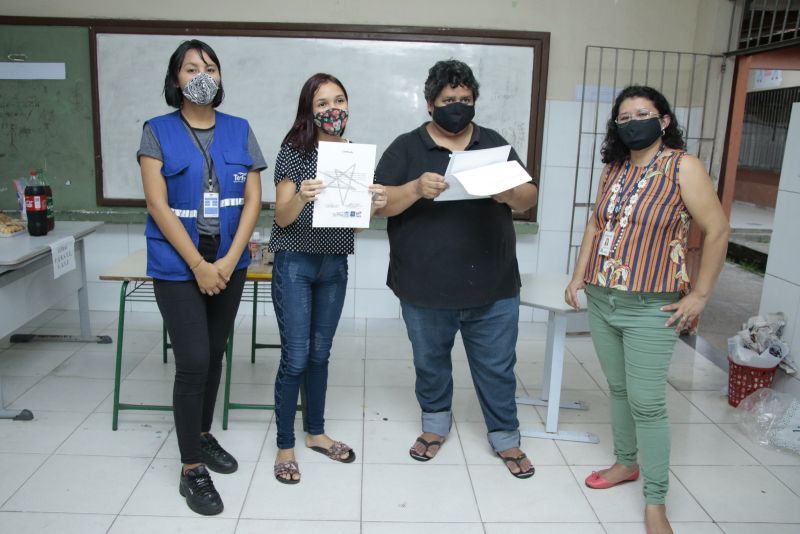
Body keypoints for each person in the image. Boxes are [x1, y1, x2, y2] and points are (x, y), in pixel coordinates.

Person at [564, 85, 729, 534]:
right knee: (618, 390)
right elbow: (597, 225)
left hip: (652, 305)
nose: (633, 121)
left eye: (643, 113)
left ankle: (655, 500)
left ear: (664, 121)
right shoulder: (613, 168)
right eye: (625, 116)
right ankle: (624, 464)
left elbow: (716, 230)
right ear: (617, 127)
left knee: (648, 402)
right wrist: (579, 275)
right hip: (603, 297)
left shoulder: (684, 167)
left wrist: (700, 295)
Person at [374, 59, 538, 478]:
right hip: (424, 286)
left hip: (494, 285)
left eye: (465, 99)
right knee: (431, 363)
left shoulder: (494, 143)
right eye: (449, 100)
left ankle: (506, 437)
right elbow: (378, 204)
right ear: (430, 104)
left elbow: (528, 197)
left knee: (498, 367)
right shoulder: (406, 148)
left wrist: (508, 193)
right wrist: (414, 188)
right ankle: (434, 426)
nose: (457, 106)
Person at [138, 40, 265, 516]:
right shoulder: (156, 132)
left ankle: (202, 434)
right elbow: (157, 204)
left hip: (229, 263)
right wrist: (198, 264)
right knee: (192, 360)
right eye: (191, 68)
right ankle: (191, 468)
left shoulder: (240, 130)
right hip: (177, 267)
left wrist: (229, 261)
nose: (201, 74)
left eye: (209, 67)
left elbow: (253, 200)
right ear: (176, 79)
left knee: (213, 355)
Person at [268, 73, 387, 484]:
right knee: (296, 356)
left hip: (334, 264)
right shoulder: (294, 151)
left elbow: (354, 226)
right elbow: (281, 217)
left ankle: (315, 433)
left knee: (320, 354)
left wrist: (374, 204)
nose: (332, 109)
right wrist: (302, 195)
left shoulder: (354, 155)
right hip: (295, 262)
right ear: (310, 110)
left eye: (339, 100)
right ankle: (286, 446)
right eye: (322, 103)